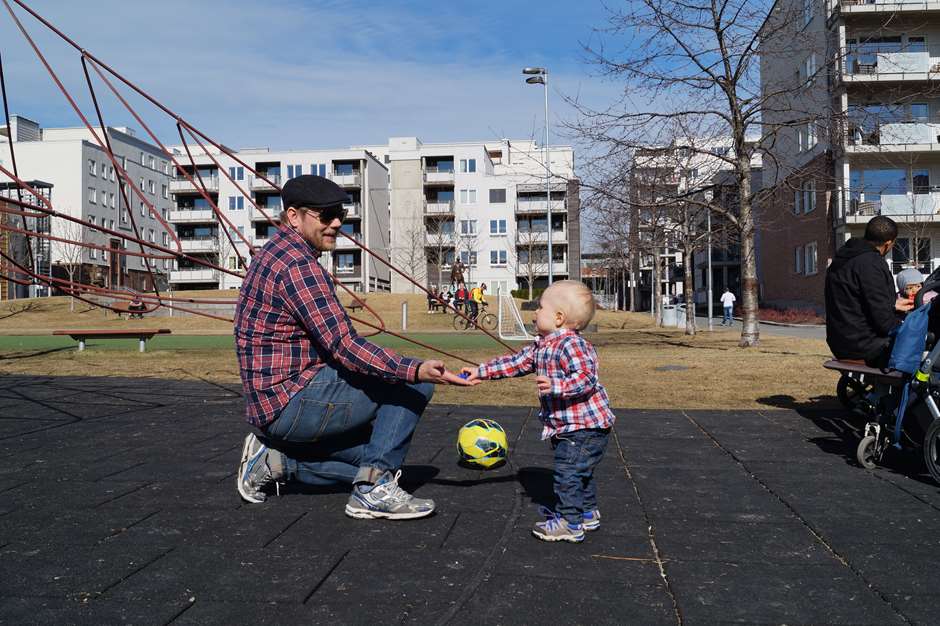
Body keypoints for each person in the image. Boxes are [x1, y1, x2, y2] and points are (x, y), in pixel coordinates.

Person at [234, 175, 475, 520]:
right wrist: (416, 369)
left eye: (340, 214)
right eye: (326, 214)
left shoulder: (275, 253)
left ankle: (276, 463)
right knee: (413, 384)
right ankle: (373, 491)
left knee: (373, 455)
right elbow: (344, 346)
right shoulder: (298, 266)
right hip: (291, 401)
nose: (336, 223)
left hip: (273, 403)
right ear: (293, 216)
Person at [462, 280, 615, 543]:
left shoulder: (572, 345)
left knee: (567, 473)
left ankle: (570, 522)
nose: (534, 312)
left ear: (558, 318)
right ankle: (587, 513)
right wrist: (482, 371)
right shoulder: (542, 346)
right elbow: (514, 363)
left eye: (540, 307)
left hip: (585, 428)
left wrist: (558, 385)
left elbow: (586, 378)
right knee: (580, 472)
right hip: (571, 427)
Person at [825, 215, 913, 368]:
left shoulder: (843, 258)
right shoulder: (871, 263)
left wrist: (892, 304)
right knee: (922, 341)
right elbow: (884, 323)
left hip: (840, 341)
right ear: (888, 243)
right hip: (866, 346)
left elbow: (856, 302)